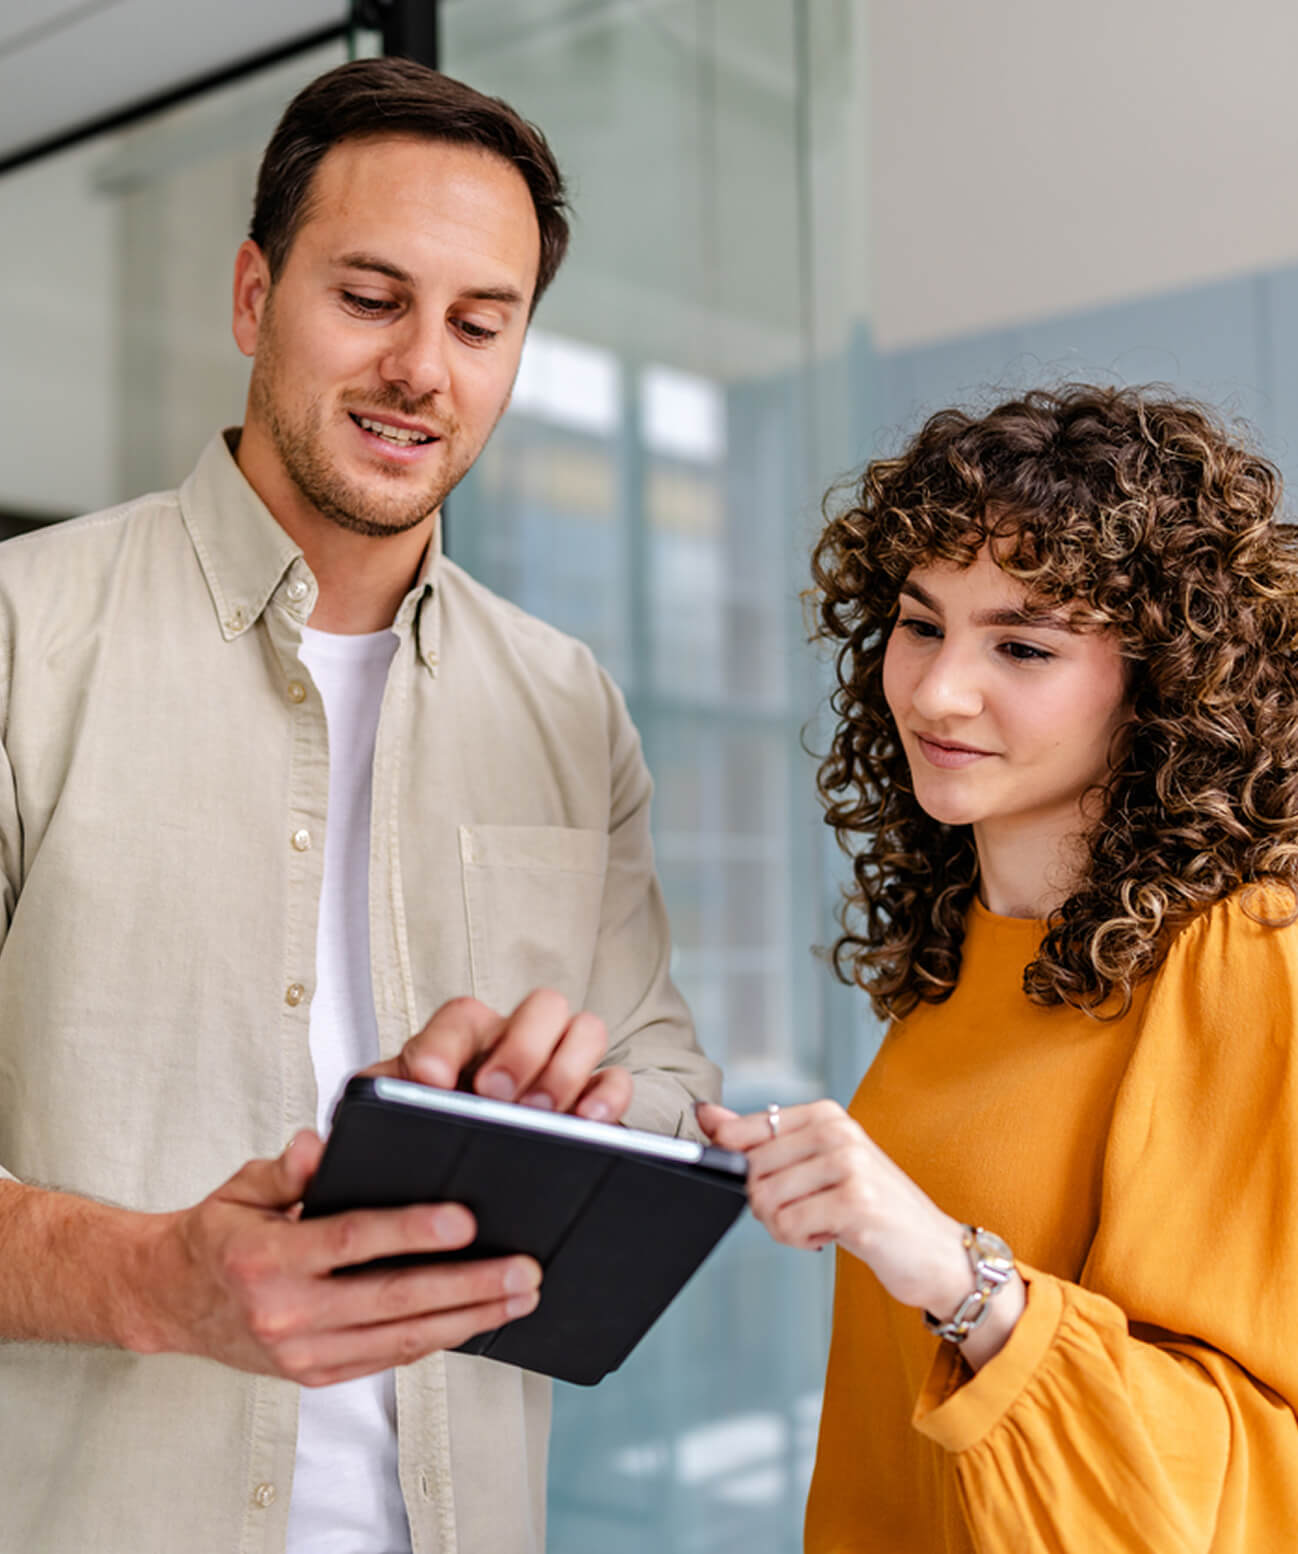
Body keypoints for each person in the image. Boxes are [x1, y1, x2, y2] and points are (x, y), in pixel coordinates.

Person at [0, 56, 718, 1554]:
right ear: (255, 298)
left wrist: (568, 1111)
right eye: (370, 298)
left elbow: (664, 1086)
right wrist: (144, 1276)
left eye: (479, 323)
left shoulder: (567, 700)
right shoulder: (20, 636)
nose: (423, 371)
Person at [700, 383, 1298, 1551]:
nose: (934, 690)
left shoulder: (1244, 959)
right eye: (919, 624)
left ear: (1163, 683)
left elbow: (1251, 1462)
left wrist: (945, 1267)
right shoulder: (958, 948)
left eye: (1020, 644)